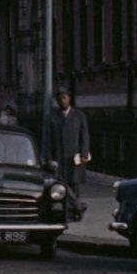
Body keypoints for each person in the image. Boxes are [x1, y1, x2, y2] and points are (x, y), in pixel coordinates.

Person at [44, 87, 90, 221]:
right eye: (59, 99)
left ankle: (76, 210)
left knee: (74, 184)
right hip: (58, 157)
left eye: (64, 98)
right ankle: (74, 208)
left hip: (73, 157)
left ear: (69, 98)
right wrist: (48, 158)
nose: (62, 101)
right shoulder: (52, 116)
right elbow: (47, 138)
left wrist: (84, 153)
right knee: (61, 185)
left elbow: (85, 136)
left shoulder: (79, 115)